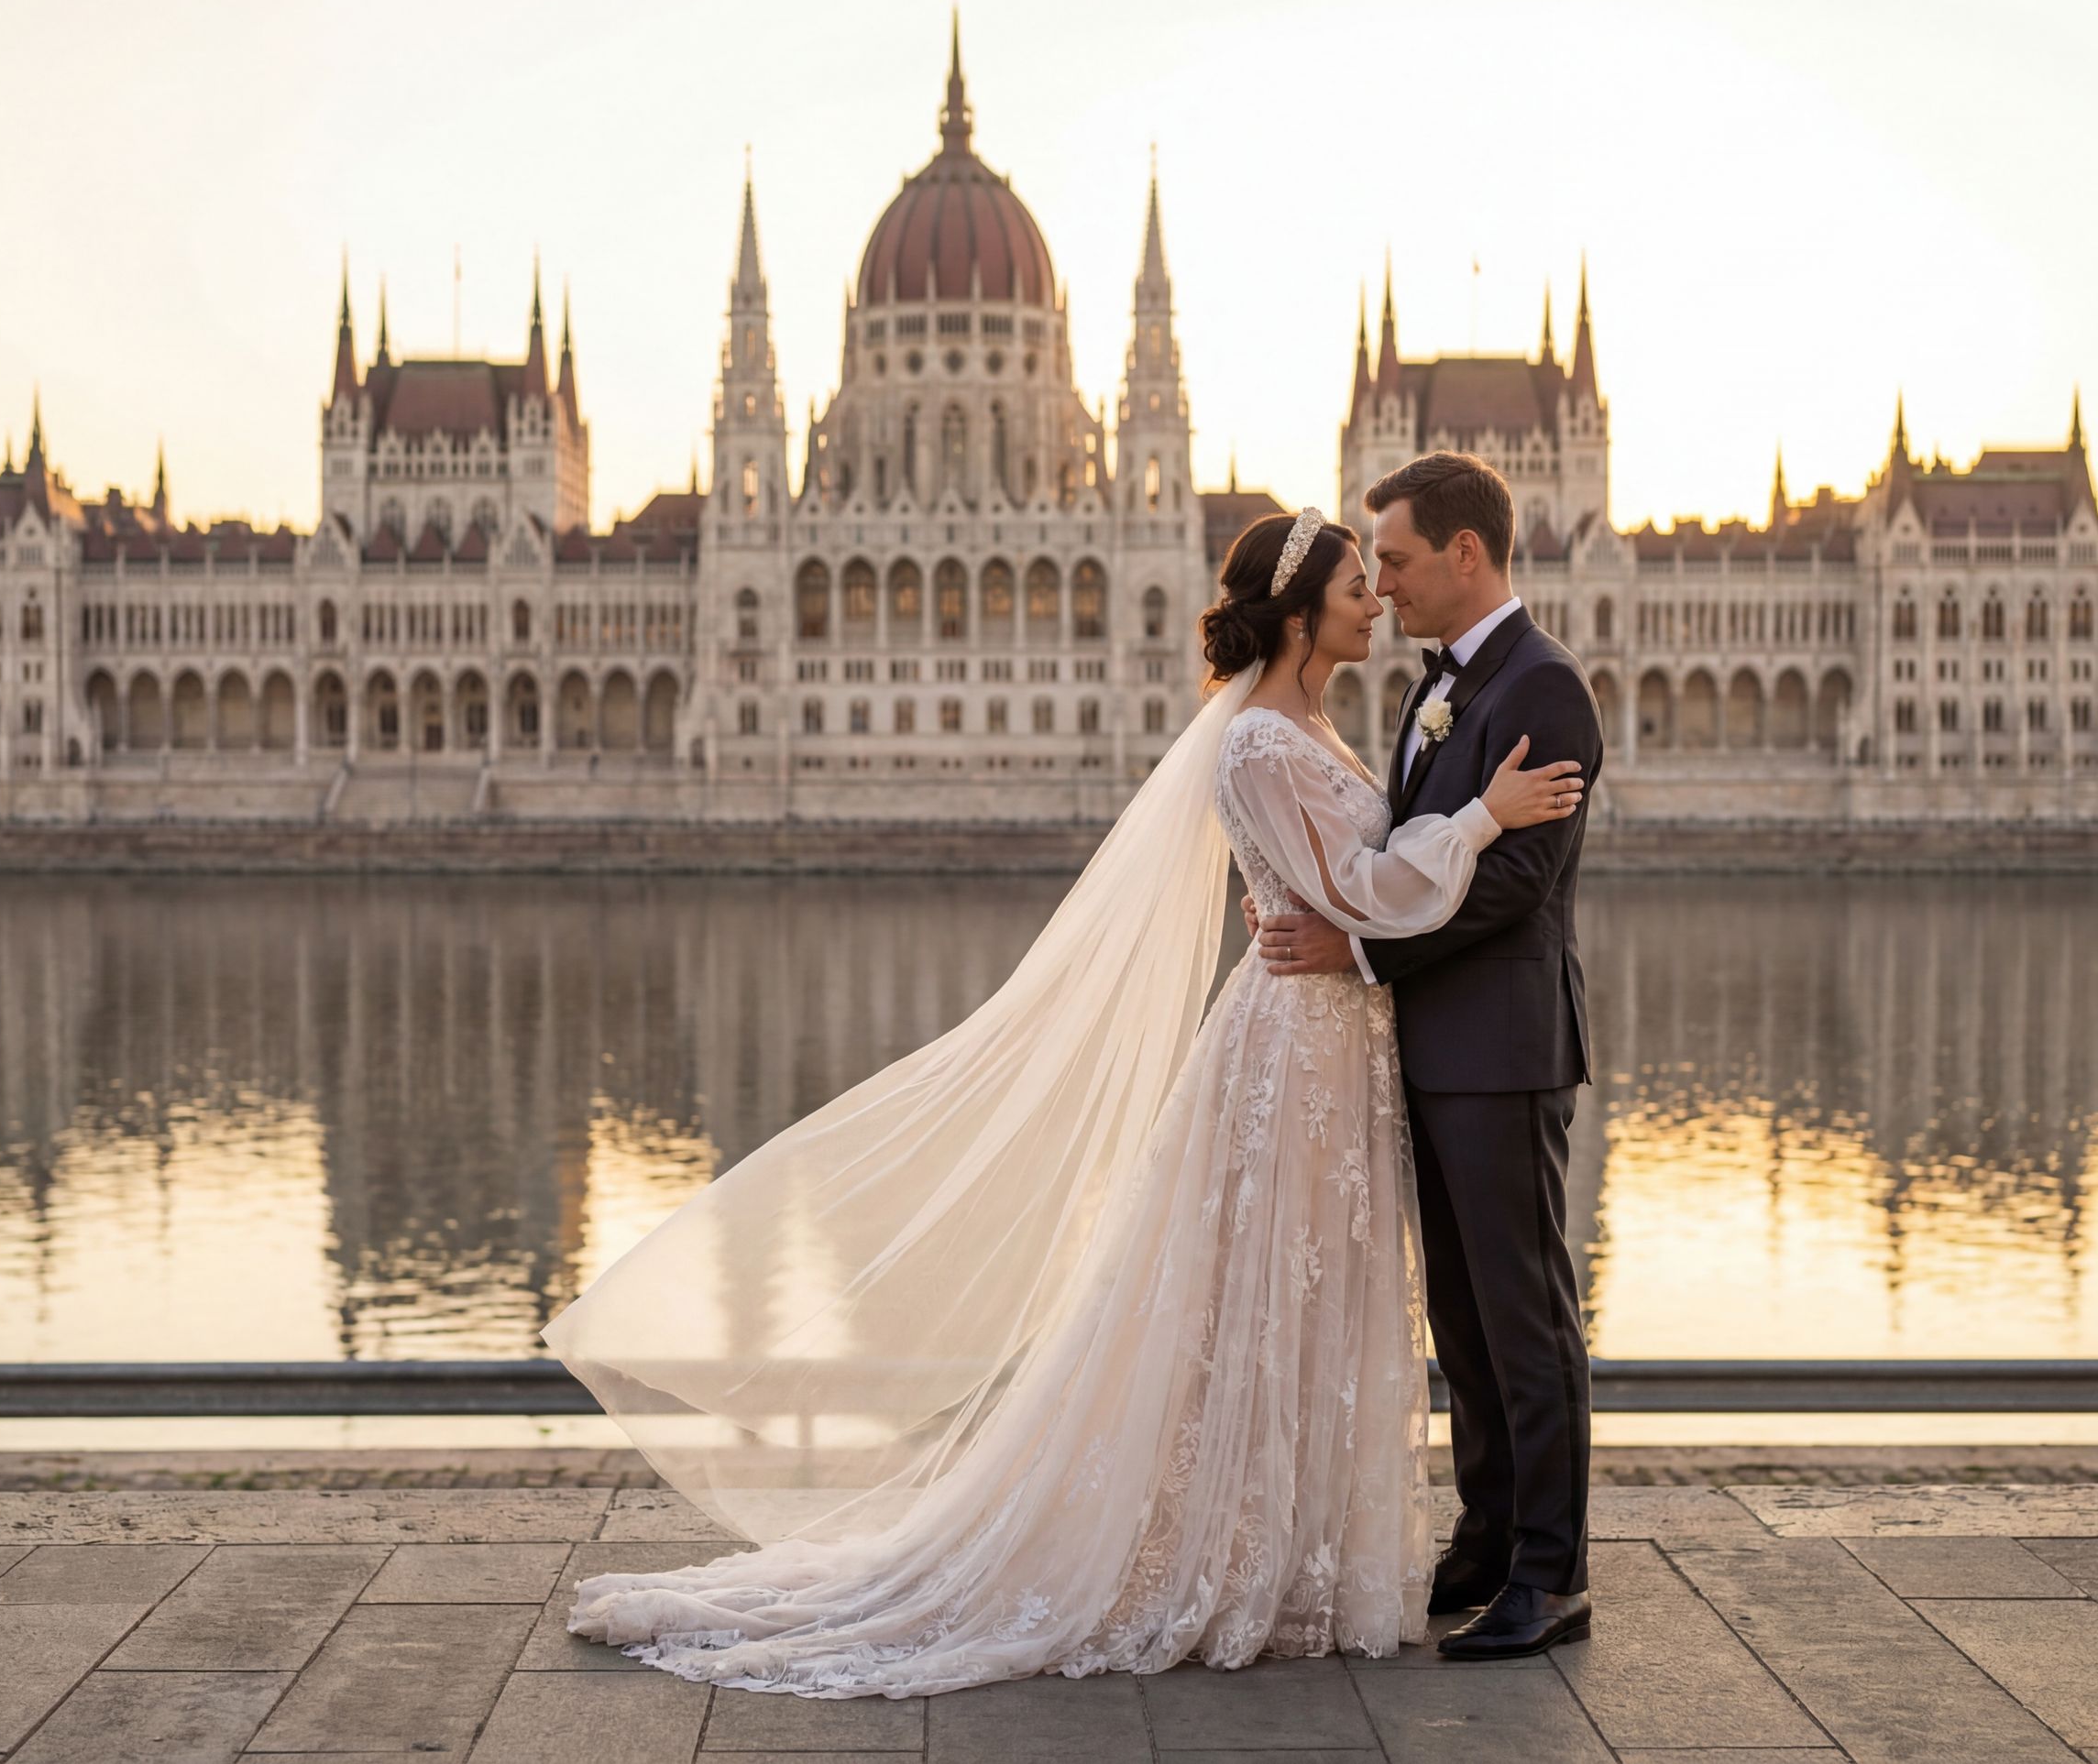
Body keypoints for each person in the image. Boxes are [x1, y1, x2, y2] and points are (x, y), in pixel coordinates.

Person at [539, 506, 1582, 1696]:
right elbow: (1361, 885)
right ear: (1300, 613)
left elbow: (1351, 884)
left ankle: (1310, 1545)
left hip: (1340, 1042)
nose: (1379, 597)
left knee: (1309, 1294)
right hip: (1297, 1047)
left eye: (1385, 571)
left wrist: (1365, 899)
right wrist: (1478, 820)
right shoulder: (1259, 739)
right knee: (1262, 1292)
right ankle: (1251, 1548)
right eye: (1360, 581)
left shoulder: (1338, 721)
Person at [1254, 453, 1606, 1660]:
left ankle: (1551, 1573)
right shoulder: (1436, 687)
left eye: (1397, 560)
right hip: (1432, 1049)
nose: (1386, 584)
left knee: (1526, 1314)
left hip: (1501, 1048)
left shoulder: (1543, 686)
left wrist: (1354, 950)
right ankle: (1489, 1535)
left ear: (1466, 552)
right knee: (1462, 1316)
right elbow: (1408, 852)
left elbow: (1514, 884)